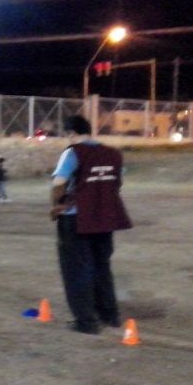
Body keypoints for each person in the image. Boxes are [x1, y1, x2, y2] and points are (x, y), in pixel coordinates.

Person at [51, 115, 132, 335]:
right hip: (105, 219)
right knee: (101, 267)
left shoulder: (72, 152)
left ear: (71, 133)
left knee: (77, 270)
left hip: (76, 219)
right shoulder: (114, 154)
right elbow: (118, 183)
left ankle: (86, 321)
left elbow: (59, 183)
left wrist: (57, 206)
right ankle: (110, 315)